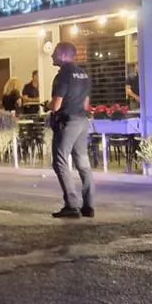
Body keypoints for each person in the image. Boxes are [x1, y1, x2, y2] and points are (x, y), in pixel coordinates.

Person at [48, 41, 95, 220]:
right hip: (83, 121)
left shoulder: (63, 75)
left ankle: (72, 204)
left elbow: (56, 105)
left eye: (54, 52)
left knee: (60, 161)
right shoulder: (83, 74)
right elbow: (86, 104)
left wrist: (48, 105)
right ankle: (89, 205)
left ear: (62, 54)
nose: (52, 56)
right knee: (83, 162)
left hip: (68, 122)